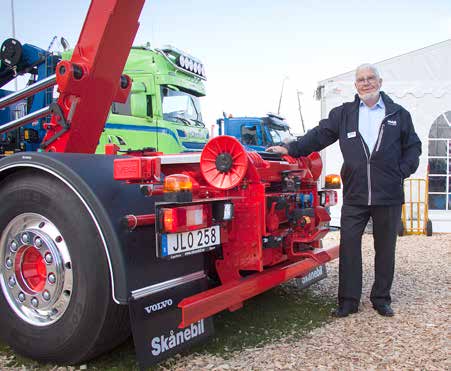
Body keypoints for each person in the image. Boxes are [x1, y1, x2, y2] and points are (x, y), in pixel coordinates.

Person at [267, 63, 421, 318]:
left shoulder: (398, 114)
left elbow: (413, 147)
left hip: (388, 194)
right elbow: (319, 135)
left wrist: (401, 171)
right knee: (349, 246)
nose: (366, 83)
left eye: (371, 78)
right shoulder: (345, 113)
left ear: (380, 82)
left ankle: (381, 298)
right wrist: (292, 148)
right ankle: (348, 301)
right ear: (356, 85)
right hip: (356, 194)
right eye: (361, 79)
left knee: (385, 248)